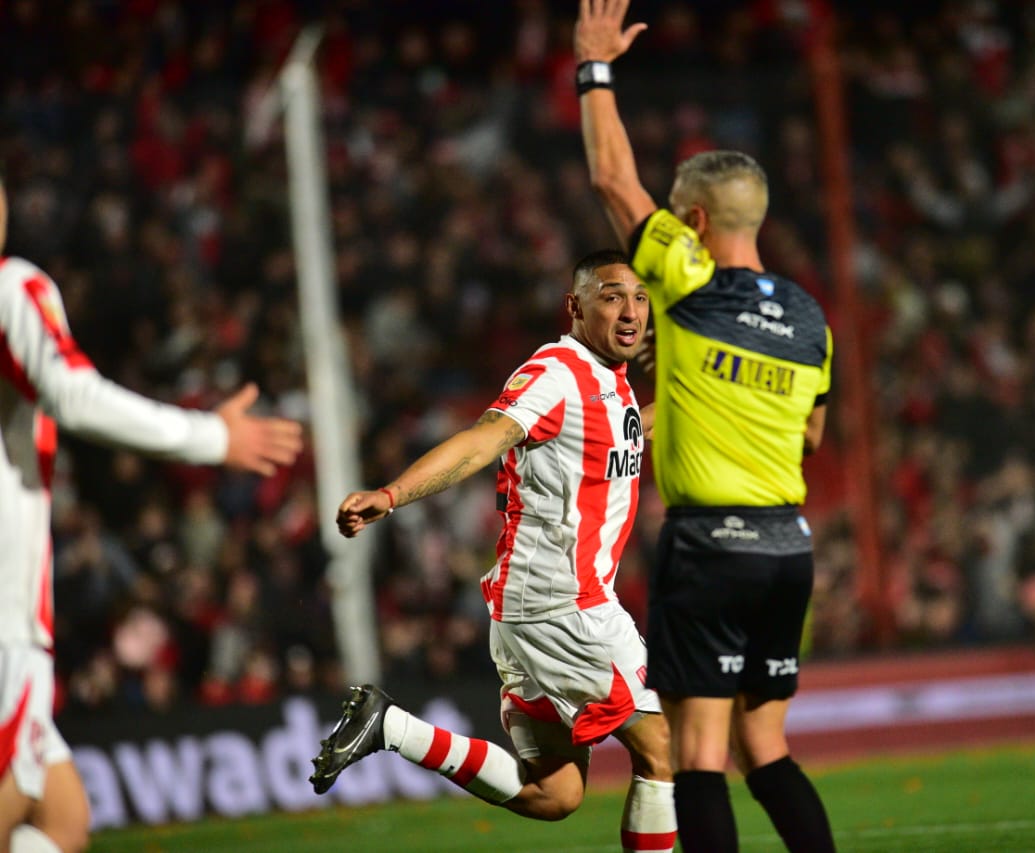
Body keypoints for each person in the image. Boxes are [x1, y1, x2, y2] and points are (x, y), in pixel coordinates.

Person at [573, 2, 838, 851]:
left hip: (709, 546)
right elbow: (813, 439)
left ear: (691, 224)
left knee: (698, 756)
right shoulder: (809, 317)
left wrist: (594, 67)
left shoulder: (689, 282)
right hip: (789, 545)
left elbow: (615, 181)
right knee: (768, 747)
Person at [309, 250, 677, 853]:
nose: (630, 310)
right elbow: (485, 438)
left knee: (553, 795)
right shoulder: (558, 372)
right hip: (567, 605)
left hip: (524, 610)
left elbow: (630, 426)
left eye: (639, 298)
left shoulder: (610, 385)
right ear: (576, 306)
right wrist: (393, 494)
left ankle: (391, 728)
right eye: (612, 296)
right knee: (662, 753)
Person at [0, 176, 303, 853]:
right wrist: (210, 437)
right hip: (3, 625)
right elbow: (72, 396)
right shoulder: (10, 287)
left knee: (61, 823)